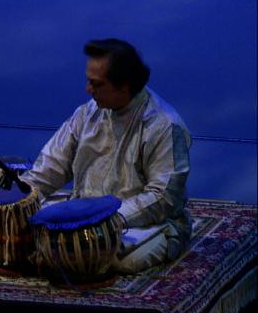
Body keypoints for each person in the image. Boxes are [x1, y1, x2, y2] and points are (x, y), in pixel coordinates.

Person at [20, 38, 192, 273]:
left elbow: (163, 197)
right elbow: (50, 167)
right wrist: (19, 201)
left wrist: (103, 221)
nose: (88, 90)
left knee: (115, 260)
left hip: (140, 222)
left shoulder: (163, 125)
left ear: (124, 86)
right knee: (28, 232)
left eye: (96, 84)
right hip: (85, 215)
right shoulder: (86, 114)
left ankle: (169, 240)